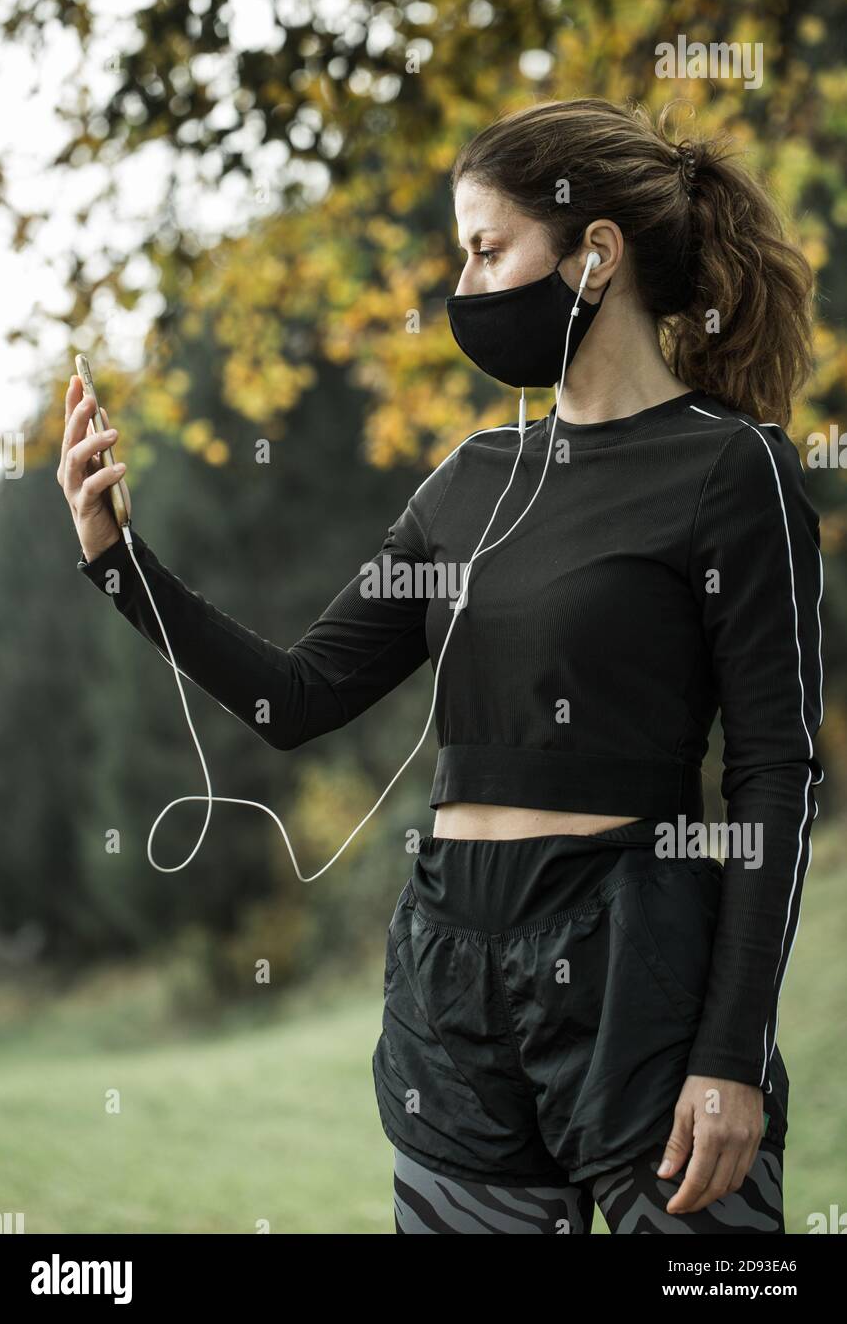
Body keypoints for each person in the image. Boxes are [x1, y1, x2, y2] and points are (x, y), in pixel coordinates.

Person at [57, 98, 823, 1234]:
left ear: (593, 252)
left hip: (636, 970)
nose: (462, 286)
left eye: (484, 247)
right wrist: (120, 560)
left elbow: (774, 773)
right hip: (448, 978)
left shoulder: (729, 469)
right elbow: (295, 697)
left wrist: (731, 1053)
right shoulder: (464, 481)